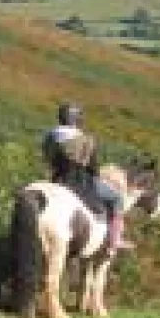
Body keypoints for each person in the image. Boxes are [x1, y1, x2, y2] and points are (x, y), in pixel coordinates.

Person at [42, 102, 131, 251]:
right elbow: (93, 168)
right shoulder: (86, 140)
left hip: (57, 180)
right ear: (76, 119)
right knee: (117, 198)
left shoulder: (50, 136)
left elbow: (47, 158)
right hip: (81, 182)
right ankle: (115, 240)